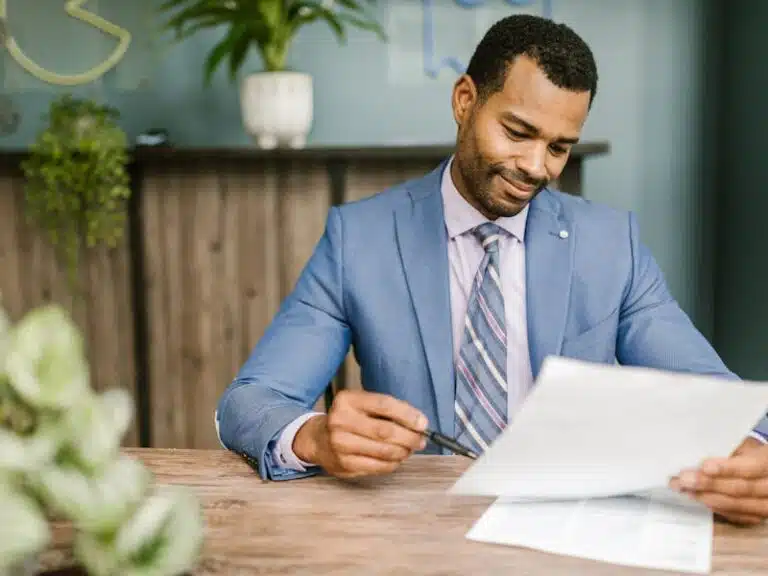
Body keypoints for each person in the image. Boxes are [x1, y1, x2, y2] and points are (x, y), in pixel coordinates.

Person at [216, 14, 768, 525]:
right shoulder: (359, 239)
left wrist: (756, 454)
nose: (535, 167)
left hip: (572, 527)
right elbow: (248, 402)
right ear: (465, 100)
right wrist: (313, 436)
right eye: (518, 132)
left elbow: (720, 397)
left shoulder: (611, 246)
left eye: (558, 147)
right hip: (416, 523)